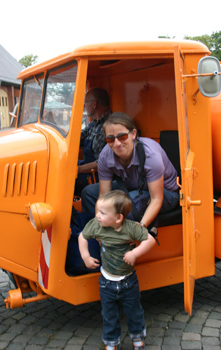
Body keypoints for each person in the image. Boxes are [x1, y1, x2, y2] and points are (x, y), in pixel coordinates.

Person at [78, 190, 155, 350]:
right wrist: (85, 256)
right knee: (109, 315)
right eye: (97, 211)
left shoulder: (131, 228)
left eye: (103, 213)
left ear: (119, 218)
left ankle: (137, 337)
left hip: (129, 282)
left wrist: (135, 253)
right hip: (107, 283)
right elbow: (82, 237)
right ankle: (112, 342)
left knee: (134, 312)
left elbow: (150, 240)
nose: (97, 215)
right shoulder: (96, 225)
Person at [81, 112, 179, 233]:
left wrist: (141, 227)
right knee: (89, 193)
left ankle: (121, 244)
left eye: (122, 136)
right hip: (133, 186)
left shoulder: (151, 156)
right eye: (110, 139)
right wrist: (99, 224)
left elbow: (156, 199)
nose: (116, 143)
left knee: (124, 204)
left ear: (133, 134)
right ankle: (96, 237)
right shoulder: (105, 156)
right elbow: (103, 196)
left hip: (166, 193)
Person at [75, 87, 112, 194]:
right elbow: (77, 139)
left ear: (94, 104)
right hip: (89, 169)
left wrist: (79, 170)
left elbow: (104, 162)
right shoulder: (94, 124)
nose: (84, 106)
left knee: (64, 179)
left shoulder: (110, 126)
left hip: (100, 175)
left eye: (86, 102)